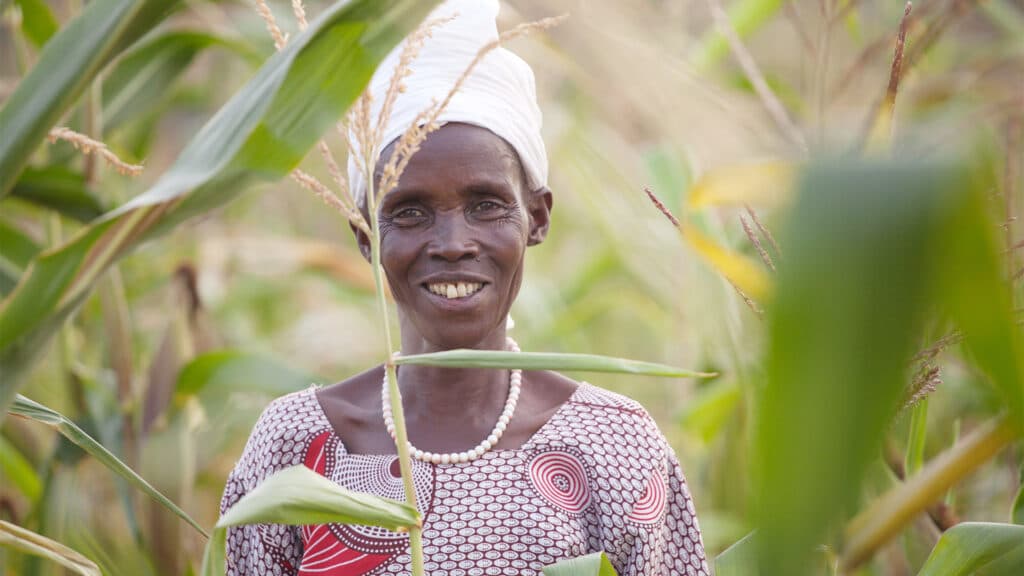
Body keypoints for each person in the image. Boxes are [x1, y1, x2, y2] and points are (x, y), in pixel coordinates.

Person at [219, 2, 709, 574]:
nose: (453, 242)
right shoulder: (297, 449)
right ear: (364, 234)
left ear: (538, 217)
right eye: (409, 212)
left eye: (485, 205)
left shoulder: (613, 445)